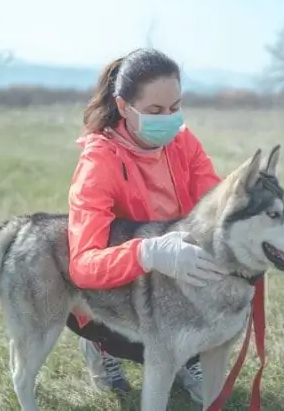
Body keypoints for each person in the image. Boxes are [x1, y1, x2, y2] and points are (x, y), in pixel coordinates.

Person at [64, 47, 229, 405]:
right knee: (142, 337)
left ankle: (186, 357)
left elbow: (214, 204)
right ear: (124, 107)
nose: (169, 119)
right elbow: (83, 267)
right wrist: (148, 252)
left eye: (175, 108)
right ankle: (100, 344)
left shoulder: (183, 140)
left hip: (180, 274)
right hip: (123, 288)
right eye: (155, 111)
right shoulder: (99, 163)